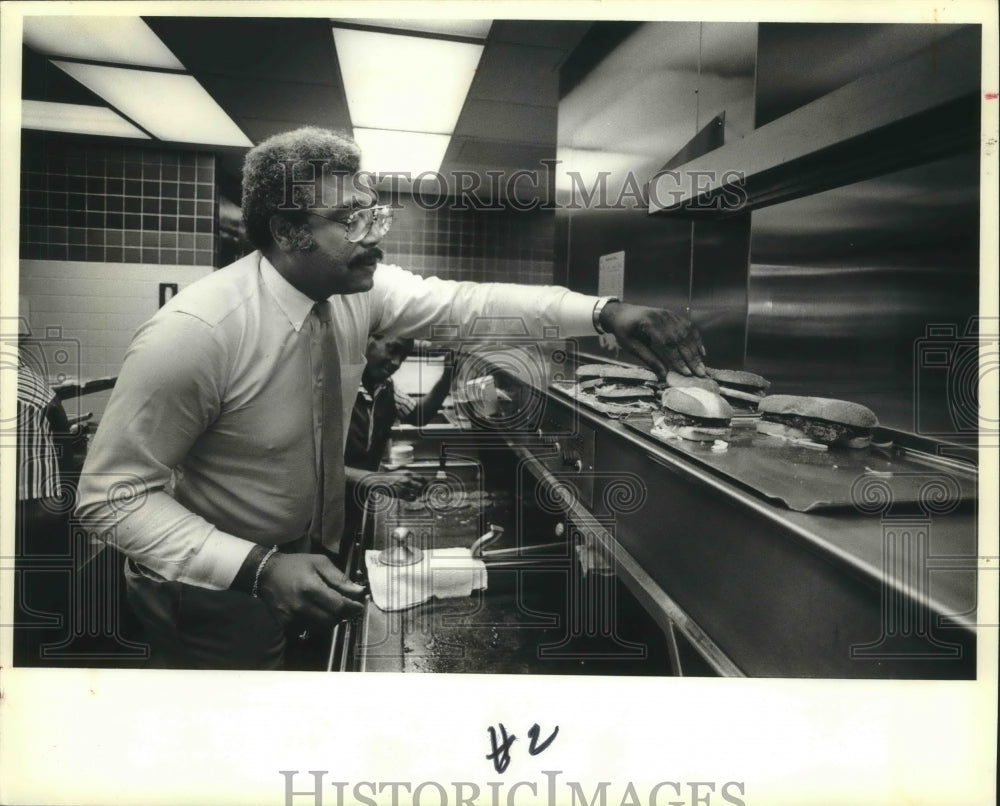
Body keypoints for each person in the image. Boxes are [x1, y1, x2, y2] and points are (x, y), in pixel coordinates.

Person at [75, 126, 706, 670]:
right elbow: (111, 498)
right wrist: (257, 568)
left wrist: (606, 312)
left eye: (374, 213)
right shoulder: (198, 334)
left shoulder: (354, 293)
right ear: (290, 230)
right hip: (210, 590)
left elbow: (471, 306)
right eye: (351, 221)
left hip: (305, 562)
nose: (376, 236)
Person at [344, 334, 452, 501]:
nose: (396, 363)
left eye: (403, 357)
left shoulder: (385, 387)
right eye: (393, 350)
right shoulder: (334, 386)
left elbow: (418, 415)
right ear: (366, 339)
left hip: (353, 504)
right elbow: (300, 466)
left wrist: (449, 372)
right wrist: (375, 479)